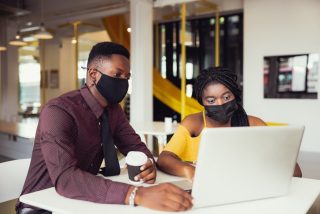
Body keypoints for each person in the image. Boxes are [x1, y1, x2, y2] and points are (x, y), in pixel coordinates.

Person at [16, 42, 192, 214]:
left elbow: (136, 147)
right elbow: (66, 179)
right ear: (93, 74)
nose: (123, 82)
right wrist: (136, 194)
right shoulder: (58, 111)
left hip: (83, 201)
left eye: (127, 77)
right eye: (117, 75)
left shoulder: (114, 111)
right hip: (41, 206)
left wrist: (147, 165)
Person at [157, 67, 302, 181]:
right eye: (211, 100)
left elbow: (295, 172)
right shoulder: (193, 124)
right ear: (202, 101)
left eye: (226, 97)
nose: (220, 103)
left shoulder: (254, 125)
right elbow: (164, 159)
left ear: (235, 96)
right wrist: (189, 170)